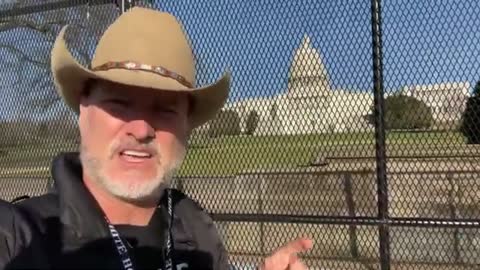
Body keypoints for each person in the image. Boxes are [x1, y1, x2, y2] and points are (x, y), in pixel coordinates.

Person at [0, 7, 313, 270]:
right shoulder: (20, 237)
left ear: (185, 127)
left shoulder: (196, 230)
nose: (141, 129)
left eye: (164, 110)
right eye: (119, 104)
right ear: (84, 111)